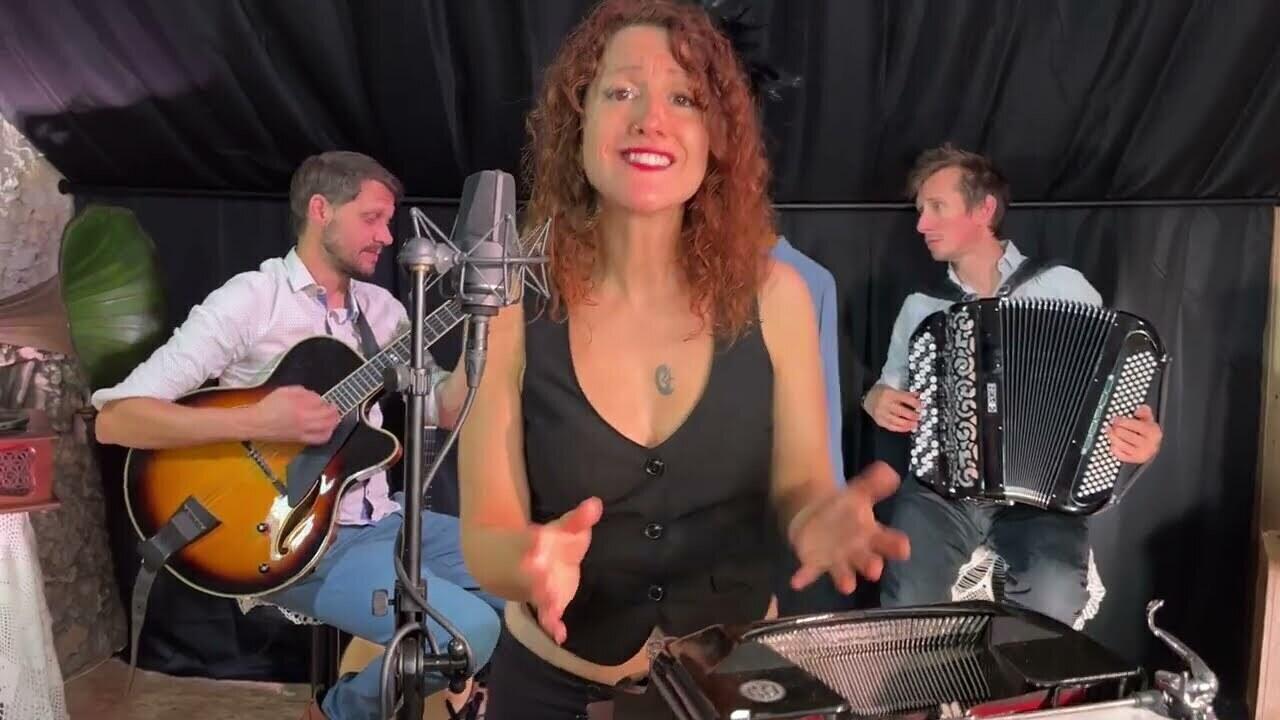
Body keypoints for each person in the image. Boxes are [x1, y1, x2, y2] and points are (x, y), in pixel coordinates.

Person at [456, 1, 910, 717]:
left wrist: (818, 517)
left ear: (717, 136)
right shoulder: (509, 303)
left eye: (685, 98)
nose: (651, 119)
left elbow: (803, 483)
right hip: (548, 689)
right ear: (578, 120)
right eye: (621, 91)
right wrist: (525, 564)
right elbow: (486, 530)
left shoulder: (779, 297)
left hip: (734, 687)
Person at [90, 151, 503, 720]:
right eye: (372, 218)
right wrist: (257, 421)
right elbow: (117, 420)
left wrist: (489, 321)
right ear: (320, 210)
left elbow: (446, 409)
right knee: (468, 632)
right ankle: (337, 713)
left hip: (385, 521)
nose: (387, 237)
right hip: (294, 541)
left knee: (522, 581)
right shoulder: (252, 301)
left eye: (389, 221)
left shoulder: (383, 312)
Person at [866, 143, 1164, 626]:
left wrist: (1141, 439)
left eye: (937, 207)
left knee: (1054, 594)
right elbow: (889, 393)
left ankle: (1009, 679)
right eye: (920, 210)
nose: (921, 224)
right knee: (909, 601)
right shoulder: (921, 307)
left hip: (1041, 498)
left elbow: (1107, 397)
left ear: (984, 209)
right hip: (943, 490)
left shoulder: (1064, 288)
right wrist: (875, 398)